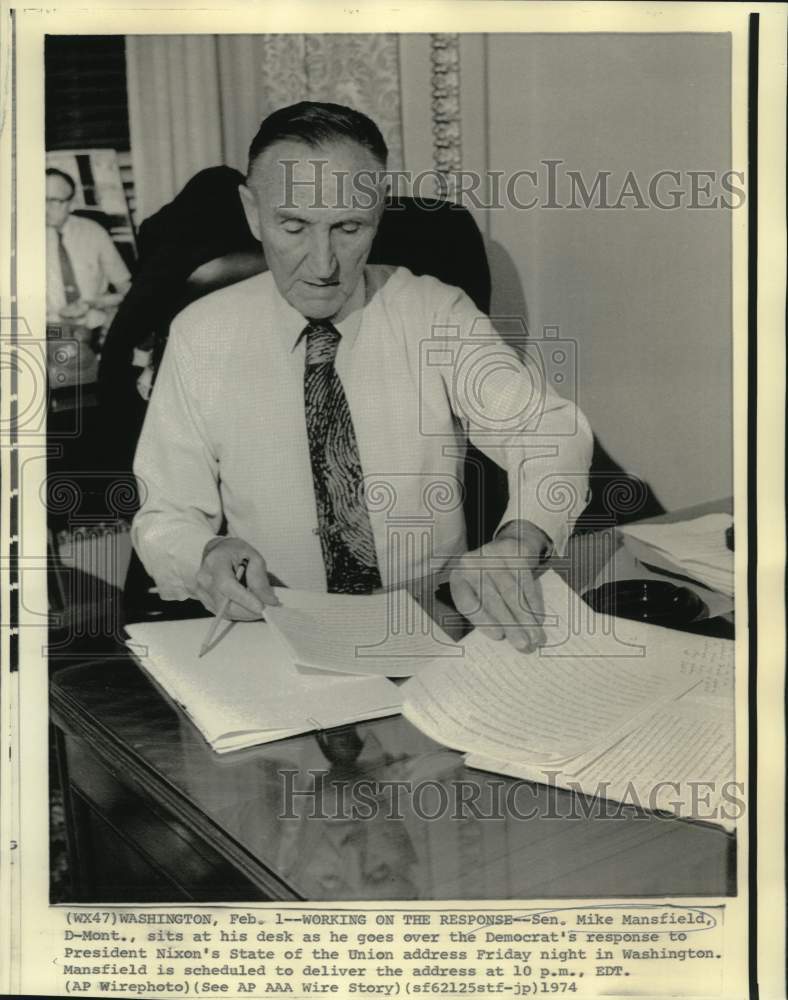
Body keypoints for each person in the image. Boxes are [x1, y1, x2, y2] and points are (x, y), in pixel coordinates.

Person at [132, 101, 594, 653]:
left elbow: (550, 432)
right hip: (277, 630)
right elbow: (166, 511)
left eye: (348, 227)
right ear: (253, 213)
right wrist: (204, 555)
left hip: (436, 622)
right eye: (294, 226)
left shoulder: (434, 312)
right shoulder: (199, 335)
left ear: (377, 212)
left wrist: (519, 541)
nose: (322, 264)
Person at [46, 167, 132, 387]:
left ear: (71, 203)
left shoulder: (93, 232)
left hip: (95, 325)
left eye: (55, 201)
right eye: (41, 199)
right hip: (48, 329)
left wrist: (92, 302)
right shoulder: (19, 238)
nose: (45, 208)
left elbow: (126, 289)